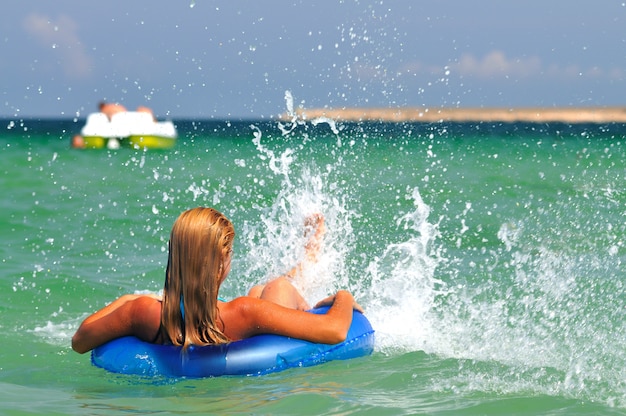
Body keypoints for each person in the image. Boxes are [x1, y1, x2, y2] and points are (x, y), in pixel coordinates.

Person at [72, 207, 362, 353]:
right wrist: (342, 296)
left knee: (263, 290)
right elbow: (335, 331)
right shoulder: (244, 312)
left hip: (183, 314)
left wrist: (128, 301)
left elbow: (80, 341)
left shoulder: (144, 314)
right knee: (276, 287)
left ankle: (304, 263)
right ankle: (309, 259)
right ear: (223, 262)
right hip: (258, 323)